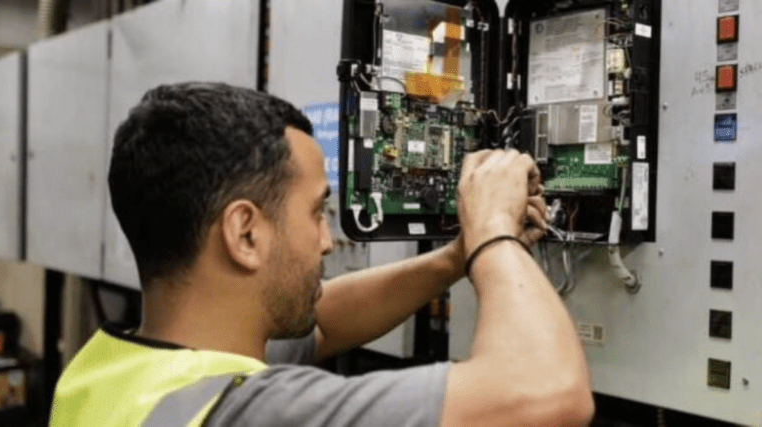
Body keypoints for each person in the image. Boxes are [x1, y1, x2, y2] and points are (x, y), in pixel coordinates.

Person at [49, 83, 594, 427]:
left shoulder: (104, 375)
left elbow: (324, 322)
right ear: (244, 233)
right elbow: (548, 395)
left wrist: (455, 256)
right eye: (316, 213)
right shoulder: (253, 411)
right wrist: (493, 235)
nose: (329, 240)